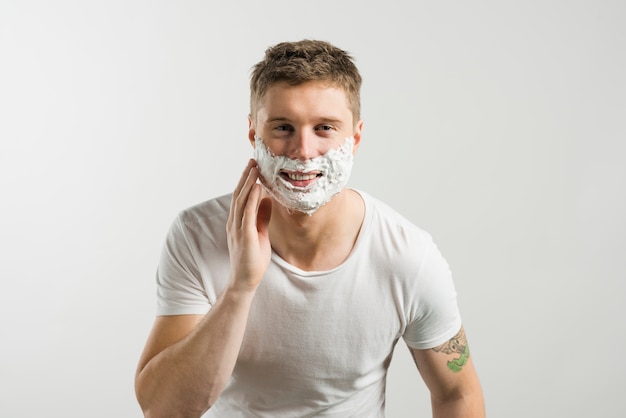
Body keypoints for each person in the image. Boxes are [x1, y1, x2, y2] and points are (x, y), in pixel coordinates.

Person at [134, 39, 485, 418]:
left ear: (355, 138)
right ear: (254, 135)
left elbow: (457, 395)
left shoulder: (407, 256)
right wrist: (240, 288)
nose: (303, 149)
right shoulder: (197, 236)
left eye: (325, 128)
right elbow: (162, 409)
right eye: (283, 127)